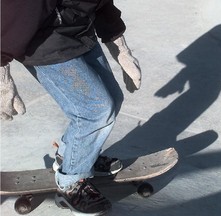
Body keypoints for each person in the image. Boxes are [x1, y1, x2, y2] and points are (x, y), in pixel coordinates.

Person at [1, 0, 141, 215]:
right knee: (95, 110)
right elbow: (12, 13)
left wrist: (120, 48)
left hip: (80, 32)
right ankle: (71, 182)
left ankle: (72, 155)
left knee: (113, 99)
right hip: (43, 43)